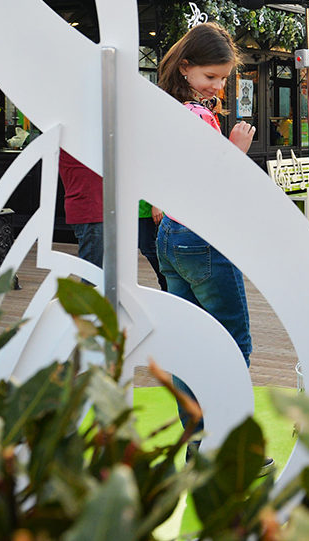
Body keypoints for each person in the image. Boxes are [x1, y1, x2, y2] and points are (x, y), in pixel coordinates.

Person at [156, 22, 256, 369]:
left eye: (224, 79)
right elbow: (212, 182)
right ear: (185, 67)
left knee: (188, 342)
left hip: (171, 231)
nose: (218, 86)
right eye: (211, 76)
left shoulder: (165, 108)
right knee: (233, 343)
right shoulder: (199, 114)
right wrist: (236, 150)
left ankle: (195, 424)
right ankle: (227, 421)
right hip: (203, 235)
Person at [58, 150, 164, 289]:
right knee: (93, 275)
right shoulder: (79, 148)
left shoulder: (84, 147)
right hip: (91, 212)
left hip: (100, 211)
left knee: (102, 271)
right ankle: (89, 309)